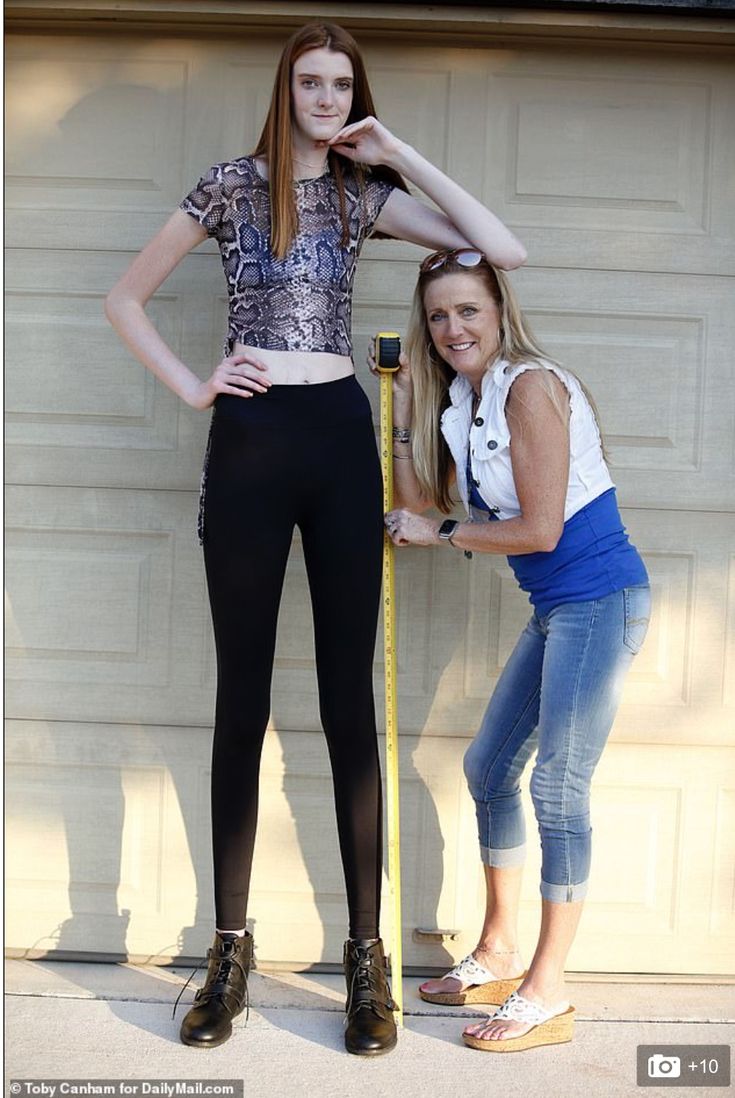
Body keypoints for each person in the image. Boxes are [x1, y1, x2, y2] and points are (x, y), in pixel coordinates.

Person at [104, 23, 526, 1055]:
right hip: (249, 442)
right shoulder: (227, 184)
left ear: (356, 95)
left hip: (340, 441)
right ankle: (229, 948)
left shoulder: (362, 193)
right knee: (240, 698)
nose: (328, 98)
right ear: (285, 88)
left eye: (343, 85)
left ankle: (366, 960)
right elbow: (124, 297)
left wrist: (397, 152)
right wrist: (198, 384)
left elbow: (503, 249)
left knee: (347, 705)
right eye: (313, 82)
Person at [382, 247, 650, 1053]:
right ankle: (497, 951)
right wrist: (396, 413)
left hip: (598, 602)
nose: (452, 326)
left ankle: (547, 990)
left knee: (558, 792)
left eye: (467, 309)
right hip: (553, 609)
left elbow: (538, 530)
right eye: (437, 315)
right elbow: (417, 506)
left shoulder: (530, 386)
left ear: (499, 312)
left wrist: (442, 531)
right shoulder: (459, 403)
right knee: (488, 771)